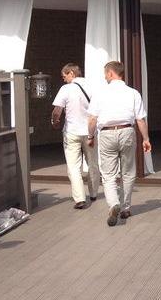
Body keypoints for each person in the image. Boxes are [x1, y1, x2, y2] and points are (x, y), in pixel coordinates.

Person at [86, 61, 152, 227]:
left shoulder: (100, 94)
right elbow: (140, 119)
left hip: (107, 133)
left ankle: (114, 203)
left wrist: (90, 136)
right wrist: (146, 139)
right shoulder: (133, 93)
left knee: (108, 175)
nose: (104, 77)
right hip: (127, 131)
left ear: (110, 73)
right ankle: (125, 208)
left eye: (105, 74)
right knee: (128, 172)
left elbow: (92, 119)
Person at [51, 63, 99, 209]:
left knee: (73, 166)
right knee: (92, 163)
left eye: (64, 76)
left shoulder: (65, 89)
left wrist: (55, 121)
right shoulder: (92, 86)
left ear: (71, 73)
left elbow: (57, 110)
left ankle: (80, 199)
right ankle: (93, 193)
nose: (63, 79)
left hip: (71, 132)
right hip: (90, 132)